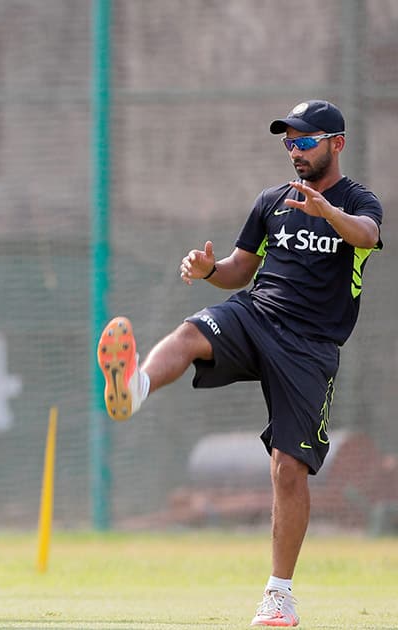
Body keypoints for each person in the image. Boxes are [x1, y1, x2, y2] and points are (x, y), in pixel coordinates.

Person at [96, 100, 383, 627]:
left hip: (310, 346)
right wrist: (209, 269)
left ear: (336, 143)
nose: (294, 151)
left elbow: (367, 235)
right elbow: (239, 270)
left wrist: (328, 212)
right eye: (287, 142)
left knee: (288, 469)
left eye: (304, 140)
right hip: (256, 313)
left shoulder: (358, 199)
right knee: (189, 333)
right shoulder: (270, 201)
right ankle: (132, 387)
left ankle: (279, 597)